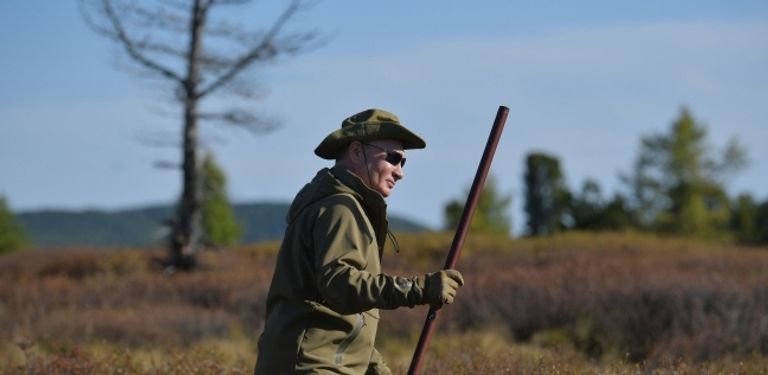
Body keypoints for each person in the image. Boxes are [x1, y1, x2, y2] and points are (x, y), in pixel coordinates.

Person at [254, 109, 465, 374]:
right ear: (356, 152)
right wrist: (419, 289)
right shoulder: (340, 208)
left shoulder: (338, 206)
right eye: (393, 158)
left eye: (403, 163)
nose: (400, 172)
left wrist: (375, 368)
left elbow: (340, 317)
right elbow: (340, 285)